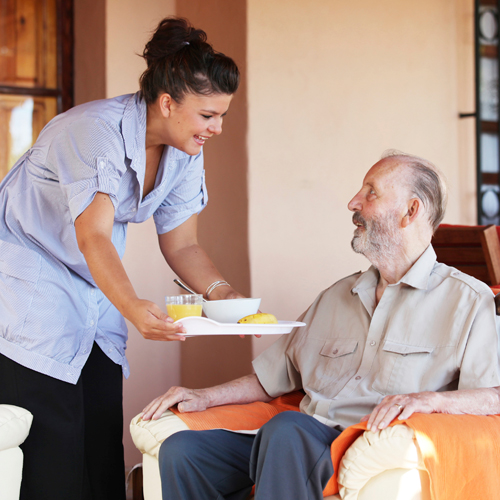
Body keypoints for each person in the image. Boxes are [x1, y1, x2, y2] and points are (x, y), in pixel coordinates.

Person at [142, 150, 500, 500]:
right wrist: (203, 396)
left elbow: (493, 396)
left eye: (370, 192)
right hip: (295, 442)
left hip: (361, 444)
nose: (353, 203)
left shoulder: (467, 300)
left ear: (411, 211)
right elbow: (272, 377)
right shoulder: (336, 296)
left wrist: (428, 401)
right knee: (182, 450)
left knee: (286, 430)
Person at [0, 17, 244, 500]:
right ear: (168, 102)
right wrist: (134, 309)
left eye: (222, 116)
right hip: (31, 288)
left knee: (101, 450)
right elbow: (92, 236)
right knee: (52, 457)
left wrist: (224, 296)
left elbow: (182, 244)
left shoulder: (184, 149)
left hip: (93, 289)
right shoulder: (93, 132)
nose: (216, 128)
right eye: (208, 115)